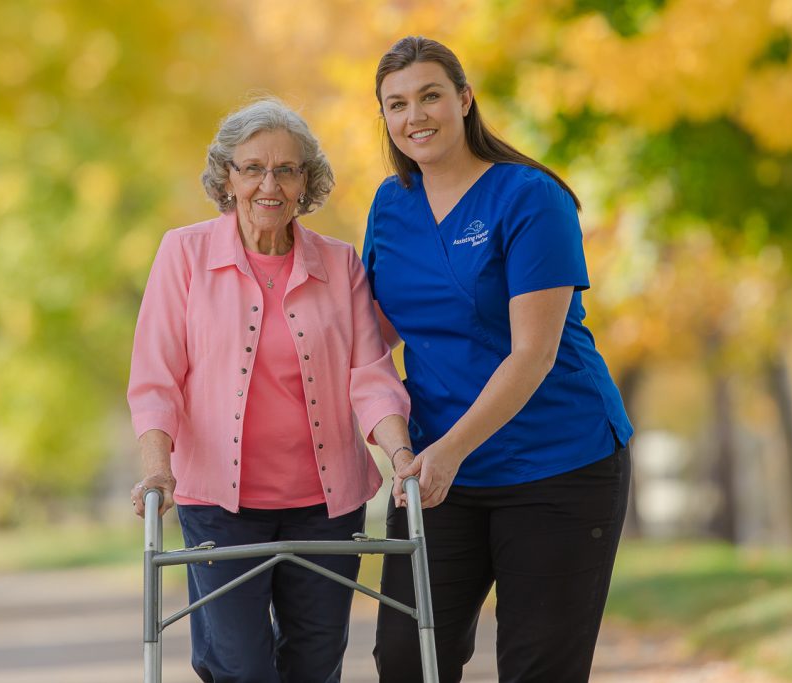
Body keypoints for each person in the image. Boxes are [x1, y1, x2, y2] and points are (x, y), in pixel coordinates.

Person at [364, 37, 634, 682]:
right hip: (436, 475)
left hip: (558, 465)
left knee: (538, 669)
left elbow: (533, 354)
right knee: (407, 660)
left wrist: (449, 452)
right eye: (396, 104)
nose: (415, 116)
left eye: (430, 95)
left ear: (463, 99)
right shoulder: (390, 205)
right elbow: (368, 338)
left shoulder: (529, 197)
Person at [126, 98, 412, 683]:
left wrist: (401, 456)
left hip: (326, 506)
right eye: (252, 167)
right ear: (226, 176)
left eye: (286, 169)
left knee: (314, 662)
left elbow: (371, 377)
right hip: (219, 505)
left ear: (306, 181)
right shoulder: (184, 254)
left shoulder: (340, 264)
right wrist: (158, 469)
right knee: (239, 665)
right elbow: (157, 377)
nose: (269, 183)